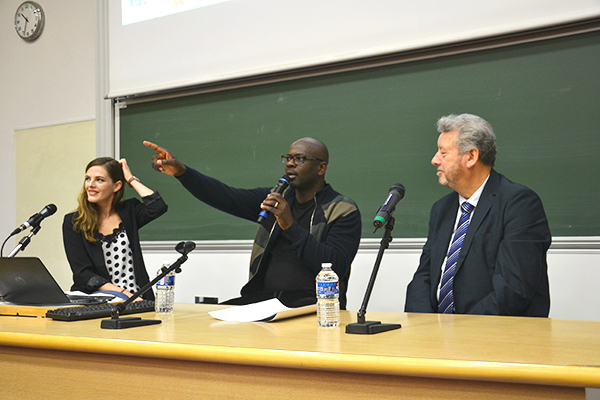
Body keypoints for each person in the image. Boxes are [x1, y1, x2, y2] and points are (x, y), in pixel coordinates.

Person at [144, 138, 361, 308]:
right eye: (288, 158)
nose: (290, 164)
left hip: (310, 306)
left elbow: (336, 265)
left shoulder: (342, 209)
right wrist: (182, 173)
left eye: (300, 159)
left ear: (321, 168)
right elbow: (225, 196)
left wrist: (290, 225)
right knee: (207, 325)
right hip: (262, 301)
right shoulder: (274, 199)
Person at [405, 114, 551, 316]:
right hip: (437, 337)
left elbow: (513, 290)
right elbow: (424, 277)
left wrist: (458, 330)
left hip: (496, 337)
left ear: (471, 157)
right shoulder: (441, 209)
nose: (434, 160)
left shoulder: (519, 204)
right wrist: (423, 326)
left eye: (443, 153)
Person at [63, 157, 168, 300]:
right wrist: (124, 295)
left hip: (139, 299)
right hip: (98, 300)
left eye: (99, 180)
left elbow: (158, 206)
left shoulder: (129, 211)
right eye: (88, 179)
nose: (90, 185)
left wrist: (130, 179)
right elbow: (83, 274)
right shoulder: (74, 222)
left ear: (116, 186)